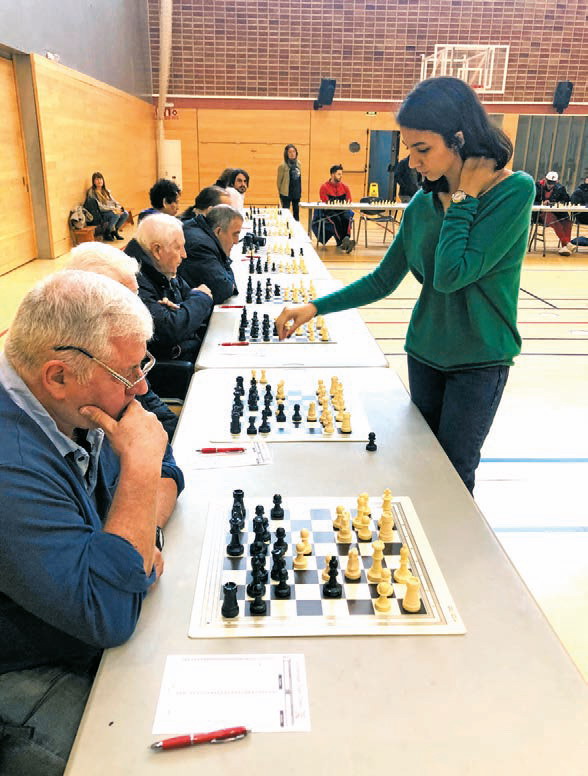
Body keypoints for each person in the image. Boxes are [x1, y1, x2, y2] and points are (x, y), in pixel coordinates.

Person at [277, 76, 535, 494]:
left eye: (422, 149)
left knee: (453, 477)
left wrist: (465, 197)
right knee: (420, 468)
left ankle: (450, 558)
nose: (412, 162)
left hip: (479, 361)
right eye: (408, 148)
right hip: (424, 354)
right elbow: (383, 278)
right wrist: (315, 307)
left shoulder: (513, 191)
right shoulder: (422, 203)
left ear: (459, 138)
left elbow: (453, 274)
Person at [0, 271, 184, 775]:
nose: (144, 387)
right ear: (57, 376)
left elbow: (168, 467)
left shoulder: (72, 398)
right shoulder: (9, 459)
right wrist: (140, 472)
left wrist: (139, 532)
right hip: (27, 661)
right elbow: (108, 615)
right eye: (129, 375)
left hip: (75, 617)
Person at [68, 243, 180, 441]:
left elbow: (151, 406)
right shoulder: (85, 361)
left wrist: (183, 433)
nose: (139, 308)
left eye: (136, 296)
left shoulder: (123, 345)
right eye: (125, 300)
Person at [125, 213, 213, 363]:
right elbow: (170, 329)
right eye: (178, 248)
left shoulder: (161, 266)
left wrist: (183, 311)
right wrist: (201, 299)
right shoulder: (132, 277)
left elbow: (188, 300)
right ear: (157, 250)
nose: (184, 255)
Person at [180, 204, 241, 304]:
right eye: (235, 234)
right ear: (218, 231)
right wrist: (225, 266)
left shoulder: (199, 229)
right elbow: (222, 289)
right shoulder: (200, 246)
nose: (236, 241)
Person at [317, 164, 355, 252]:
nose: (341, 176)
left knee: (346, 217)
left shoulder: (345, 187)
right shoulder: (324, 187)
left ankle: (345, 241)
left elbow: (349, 200)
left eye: (341, 174)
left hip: (342, 210)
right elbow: (326, 202)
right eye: (339, 174)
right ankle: (344, 242)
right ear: (332, 174)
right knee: (336, 219)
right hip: (329, 211)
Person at [534, 171, 574, 255]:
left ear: (556, 182)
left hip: (555, 213)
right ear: (545, 180)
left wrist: (563, 198)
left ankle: (564, 247)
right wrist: (541, 202)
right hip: (539, 214)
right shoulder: (537, 186)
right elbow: (531, 200)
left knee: (567, 221)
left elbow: (567, 200)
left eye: (552, 183)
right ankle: (566, 243)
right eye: (548, 182)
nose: (550, 185)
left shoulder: (560, 188)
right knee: (554, 220)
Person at [84, 172, 129, 241]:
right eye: (97, 179)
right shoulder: (92, 192)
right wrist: (113, 209)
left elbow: (113, 201)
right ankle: (107, 233)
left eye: (100, 179)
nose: (99, 181)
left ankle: (115, 231)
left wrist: (118, 207)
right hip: (101, 213)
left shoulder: (105, 190)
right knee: (115, 215)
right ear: (93, 182)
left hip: (110, 210)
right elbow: (100, 207)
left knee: (125, 213)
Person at [277, 144, 302, 220]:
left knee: (296, 214)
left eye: (294, 151)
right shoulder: (282, 165)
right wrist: (281, 194)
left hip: (296, 192)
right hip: (286, 193)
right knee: (286, 213)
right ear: (286, 154)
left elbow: (299, 178)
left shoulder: (299, 164)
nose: (292, 154)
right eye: (290, 152)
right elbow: (279, 182)